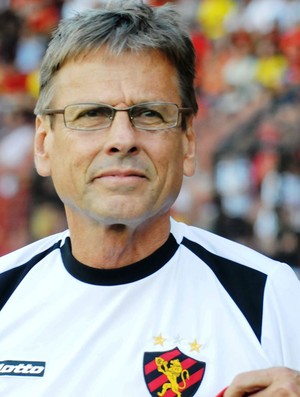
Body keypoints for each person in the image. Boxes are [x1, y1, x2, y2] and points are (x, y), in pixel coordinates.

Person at [0, 2, 299, 396]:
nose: (122, 139)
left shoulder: (267, 295)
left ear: (188, 141)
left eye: (150, 114)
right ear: (43, 143)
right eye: (91, 114)